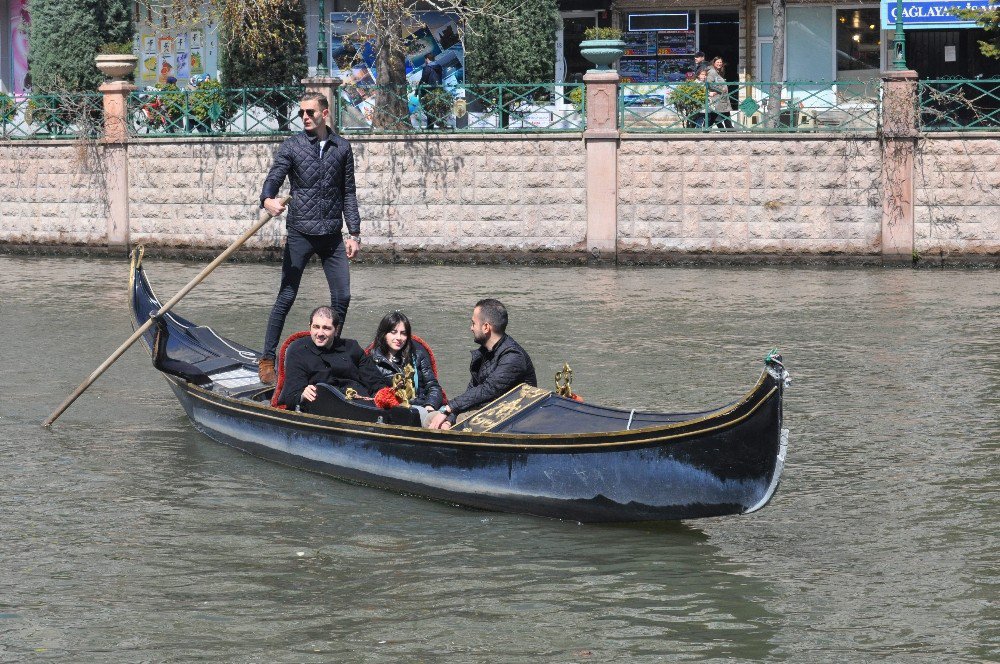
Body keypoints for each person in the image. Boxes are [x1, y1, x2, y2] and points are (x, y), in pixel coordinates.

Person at [257, 92, 362, 384]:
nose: (305, 117)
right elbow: (273, 179)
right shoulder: (292, 147)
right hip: (300, 232)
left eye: (310, 112)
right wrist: (267, 200)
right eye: (301, 112)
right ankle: (267, 357)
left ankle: (329, 354)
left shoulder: (342, 148)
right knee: (286, 296)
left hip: (331, 235)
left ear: (324, 114)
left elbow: (348, 192)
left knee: (342, 297)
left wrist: (354, 232)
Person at [428, 299, 536, 430]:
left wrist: (448, 409)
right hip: (487, 414)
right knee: (432, 420)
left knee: (437, 424)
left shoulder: (513, 357)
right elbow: (472, 392)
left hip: (512, 422)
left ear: (486, 327)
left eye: (473, 323)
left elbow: (488, 389)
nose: (471, 328)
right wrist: (450, 418)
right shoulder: (484, 352)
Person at [276, 306, 388, 409]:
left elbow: (374, 380)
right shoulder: (298, 351)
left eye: (326, 328)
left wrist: (385, 396)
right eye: (316, 327)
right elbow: (291, 395)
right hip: (322, 407)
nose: (320, 333)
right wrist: (302, 395)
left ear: (336, 330)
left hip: (360, 403)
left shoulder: (352, 347)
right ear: (309, 326)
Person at [369, 311, 444, 425]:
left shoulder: (418, 355)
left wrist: (430, 406)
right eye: (393, 332)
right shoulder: (372, 359)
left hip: (422, 407)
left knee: (443, 420)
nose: (399, 337)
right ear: (384, 334)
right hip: (392, 413)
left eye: (403, 333)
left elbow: (433, 386)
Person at [418, 53, 445, 130]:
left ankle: (430, 126)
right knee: (436, 108)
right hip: (438, 90)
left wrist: (418, 89)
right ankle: (439, 124)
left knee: (427, 108)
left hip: (428, 91)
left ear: (427, 59)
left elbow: (423, 80)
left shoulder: (427, 68)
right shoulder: (439, 67)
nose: (425, 61)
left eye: (425, 59)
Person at [706, 57, 734, 129]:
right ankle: (730, 129)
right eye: (717, 62)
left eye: (720, 62)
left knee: (721, 113)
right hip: (717, 97)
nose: (719, 64)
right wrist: (721, 89)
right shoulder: (712, 72)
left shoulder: (717, 72)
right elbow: (709, 84)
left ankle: (707, 129)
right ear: (714, 63)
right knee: (722, 113)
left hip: (721, 97)